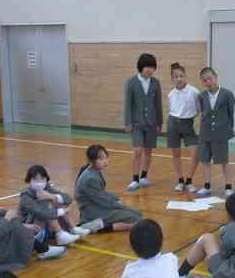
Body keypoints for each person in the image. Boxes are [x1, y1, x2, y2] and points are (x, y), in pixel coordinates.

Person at [19, 164, 96, 248]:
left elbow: (68, 199)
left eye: (42, 179)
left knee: (56, 199)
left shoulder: (47, 188)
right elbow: (42, 212)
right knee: (45, 202)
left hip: (47, 226)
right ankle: (60, 234)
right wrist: (62, 211)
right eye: (35, 179)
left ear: (46, 179)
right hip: (33, 228)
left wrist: (52, 196)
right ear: (29, 181)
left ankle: (73, 228)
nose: (39, 182)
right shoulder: (25, 196)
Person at [75, 144, 142, 233]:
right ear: (91, 161)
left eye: (106, 157)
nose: (105, 161)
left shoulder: (93, 170)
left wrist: (116, 199)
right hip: (93, 210)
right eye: (101, 159)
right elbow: (102, 200)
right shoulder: (90, 178)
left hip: (96, 205)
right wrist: (121, 206)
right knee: (135, 217)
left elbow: (102, 193)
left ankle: (101, 224)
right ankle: (91, 224)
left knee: (137, 214)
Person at [124, 53, 163, 191]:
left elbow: (158, 104)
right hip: (136, 123)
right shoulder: (131, 82)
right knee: (137, 150)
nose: (150, 69)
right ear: (141, 67)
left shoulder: (156, 83)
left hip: (152, 123)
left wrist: (159, 122)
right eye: (147, 66)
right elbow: (128, 103)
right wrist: (127, 122)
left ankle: (144, 176)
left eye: (152, 67)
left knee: (148, 151)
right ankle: (135, 179)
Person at [194, 67, 235, 198]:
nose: (208, 82)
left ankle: (228, 187)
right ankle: (207, 186)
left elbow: (231, 115)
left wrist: (227, 131)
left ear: (215, 77)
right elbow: (202, 113)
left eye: (210, 78)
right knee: (205, 160)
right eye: (204, 80)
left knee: (224, 161)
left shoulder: (227, 94)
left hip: (221, 134)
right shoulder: (201, 96)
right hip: (205, 133)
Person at [167, 63, 200, 192]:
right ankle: (180, 181)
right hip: (173, 124)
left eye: (181, 76)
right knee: (176, 154)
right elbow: (171, 109)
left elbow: (199, 109)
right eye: (176, 77)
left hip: (188, 124)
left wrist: (191, 118)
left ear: (185, 76)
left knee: (196, 154)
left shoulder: (194, 91)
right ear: (172, 79)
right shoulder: (171, 94)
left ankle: (189, 180)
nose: (179, 79)